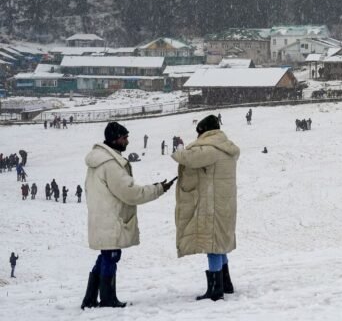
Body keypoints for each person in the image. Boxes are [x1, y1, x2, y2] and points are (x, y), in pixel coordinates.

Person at [80, 122, 174, 309]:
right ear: (115, 139)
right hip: (111, 219)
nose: (127, 141)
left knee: (106, 255)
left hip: (102, 217)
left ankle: (90, 299)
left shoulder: (97, 161)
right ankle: (107, 299)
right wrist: (158, 189)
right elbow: (130, 193)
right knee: (110, 256)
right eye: (124, 138)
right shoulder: (110, 164)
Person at [171, 115, 240, 301]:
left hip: (214, 205)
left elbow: (186, 158)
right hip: (224, 204)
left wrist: (178, 147)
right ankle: (226, 283)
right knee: (219, 244)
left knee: (212, 245)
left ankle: (216, 289)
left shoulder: (211, 149)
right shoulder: (225, 147)